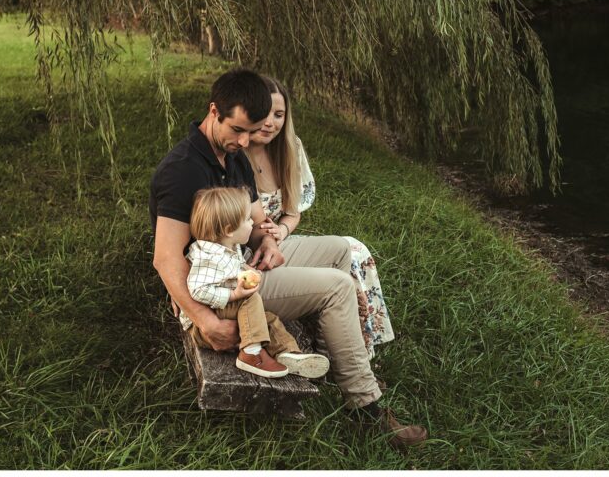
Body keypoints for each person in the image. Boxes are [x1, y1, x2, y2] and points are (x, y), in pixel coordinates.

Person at [150, 68, 427, 451]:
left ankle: (336, 351)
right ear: (214, 111)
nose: (245, 140)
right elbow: (165, 259)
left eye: (253, 131)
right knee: (337, 288)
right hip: (221, 285)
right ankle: (366, 407)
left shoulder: (234, 157)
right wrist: (205, 320)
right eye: (239, 130)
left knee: (340, 250)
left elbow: (260, 221)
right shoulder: (182, 170)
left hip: (244, 258)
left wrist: (268, 242)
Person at [245, 76, 395, 360]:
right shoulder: (236, 152)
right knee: (337, 269)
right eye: (264, 114)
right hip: (250, 250)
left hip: (279, 240)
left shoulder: (289, 148)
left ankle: (361, 341)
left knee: (354, 249)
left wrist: (282, 232)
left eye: (278, 115)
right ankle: (341, 347)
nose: (270, 123)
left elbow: (293, 211)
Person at [184, 186, 330, 379]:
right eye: (246, 220)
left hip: (225, 310)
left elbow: (232, 268)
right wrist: (233, 295)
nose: (252, 222)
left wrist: (246, 271)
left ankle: (288, 354)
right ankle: (250, 355)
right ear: (229, 230)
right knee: (251, 301)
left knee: (268, 318)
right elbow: (197, 290)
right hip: (209, 321)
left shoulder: (229, 246)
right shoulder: (208, 256)